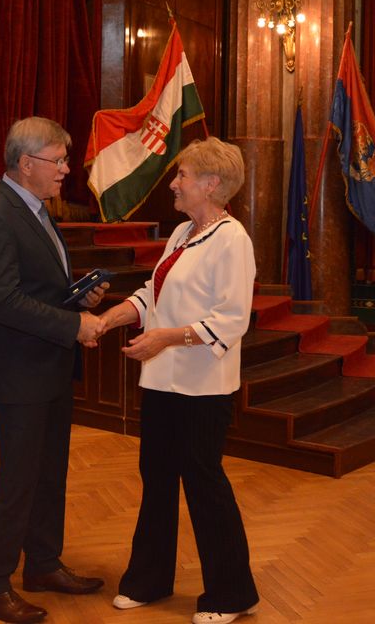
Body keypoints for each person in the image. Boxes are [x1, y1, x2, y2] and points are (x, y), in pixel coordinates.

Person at [97, 137, 260, 624]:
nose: (174, 183)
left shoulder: (232, 239)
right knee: (158, 480)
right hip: (161, 383)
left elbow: (232, 319)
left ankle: (231, 595)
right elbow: (154, 292)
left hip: (203, 389)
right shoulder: (183, 233)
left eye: (182, 175)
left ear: (211, 184)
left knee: (205, 485)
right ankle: (149, 580)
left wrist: (165, 339)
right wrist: (111, 318)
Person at [0, 116, 108, 624]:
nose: (66, 170)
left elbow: (38, 288)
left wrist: (77, 300)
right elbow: (2, 301)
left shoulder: (36, 208)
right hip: (21, 372)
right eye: (58, 161)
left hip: (50, 366)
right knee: (18, 482)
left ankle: (43, 565)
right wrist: (74, 325)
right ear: (26, 164)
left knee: (49, 475)